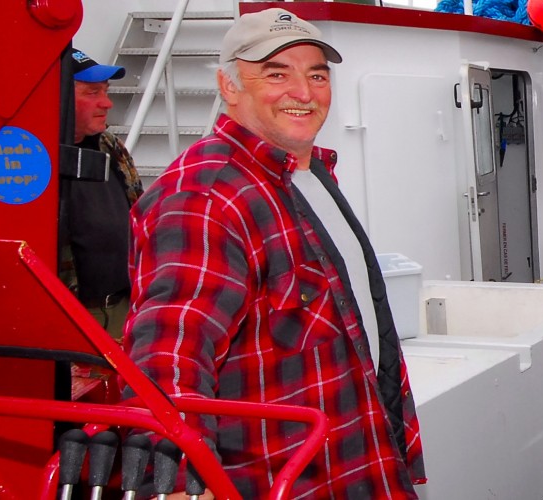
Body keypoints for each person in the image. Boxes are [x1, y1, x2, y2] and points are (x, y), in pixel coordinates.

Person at [124, 9, 424, 498]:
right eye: (276, 73)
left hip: (355, 466)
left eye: (317, 75)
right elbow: (169, 348)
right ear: (229, 85)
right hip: (278, 481)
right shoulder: (207, 195)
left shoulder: (309, 173)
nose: (303, 93)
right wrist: (177, 481)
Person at [58, 48, 141, 340]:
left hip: (125, 309)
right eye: (92, 92)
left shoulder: (111, 146)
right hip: (71, 317)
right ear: (60, 97)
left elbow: (140, 215)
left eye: (105, 91)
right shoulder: (28, 157)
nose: (107, 103)